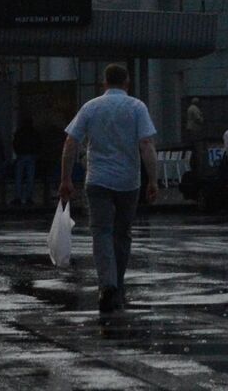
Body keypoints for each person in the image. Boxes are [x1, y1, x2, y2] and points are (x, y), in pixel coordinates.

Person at [60, 63, 159, 313]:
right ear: (127, 83)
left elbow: (71, 143)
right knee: (122, 233)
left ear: (104, 83)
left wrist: (66, 179)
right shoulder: (137, 107)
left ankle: (107, 284)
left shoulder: (91, 107)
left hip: (98, 181)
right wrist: (153, 180)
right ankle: (118, 282)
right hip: (129, 182)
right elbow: (146, 144)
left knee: (101, 232)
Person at [11, 115, 42, 206]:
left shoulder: (19, 132)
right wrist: (36, 153)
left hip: (21, 155)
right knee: (30, 178)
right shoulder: (34, 133)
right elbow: (39, 143)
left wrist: (18, 152)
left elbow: (15, 143)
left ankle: (18, 197)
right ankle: (28, 198)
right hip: (31, 156)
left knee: (19, 178)